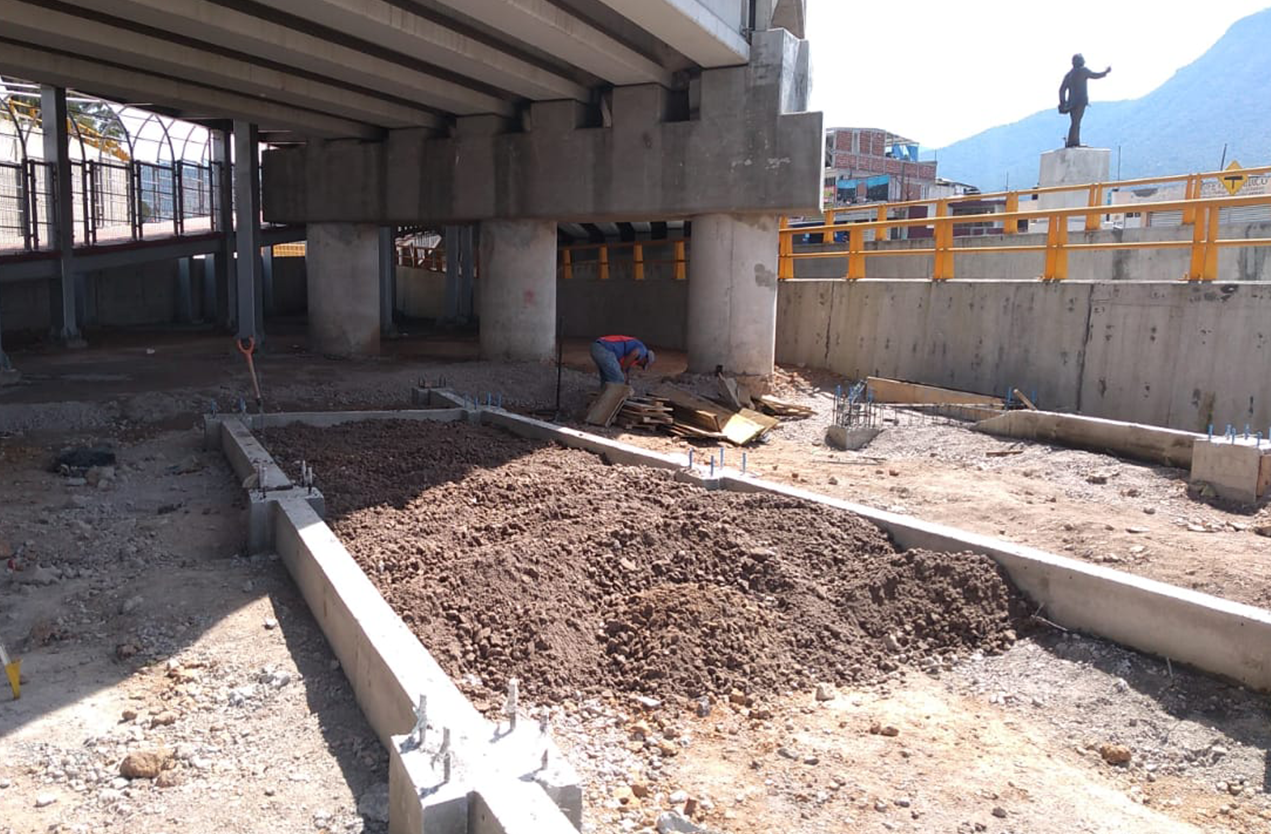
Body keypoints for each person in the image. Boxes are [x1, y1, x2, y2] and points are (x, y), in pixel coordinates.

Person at [1058, 54, 1111, 148]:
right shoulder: (1083, 71)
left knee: (1075, 121)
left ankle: (1074, 141)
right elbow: (1095, 75)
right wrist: (1105, 72)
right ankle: (1073, 142)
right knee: (1076, 122)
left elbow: (1062, 90)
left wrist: (1063, 103)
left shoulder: (1069, 74)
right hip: (1080, 101)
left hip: (1071, 103)